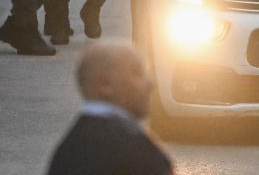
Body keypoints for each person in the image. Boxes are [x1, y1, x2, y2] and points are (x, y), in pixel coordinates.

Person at [48, 41, 173, 175]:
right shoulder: (138, 153)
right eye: (137, 73)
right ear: (105, 85)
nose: (150, 82)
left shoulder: (67, 152)